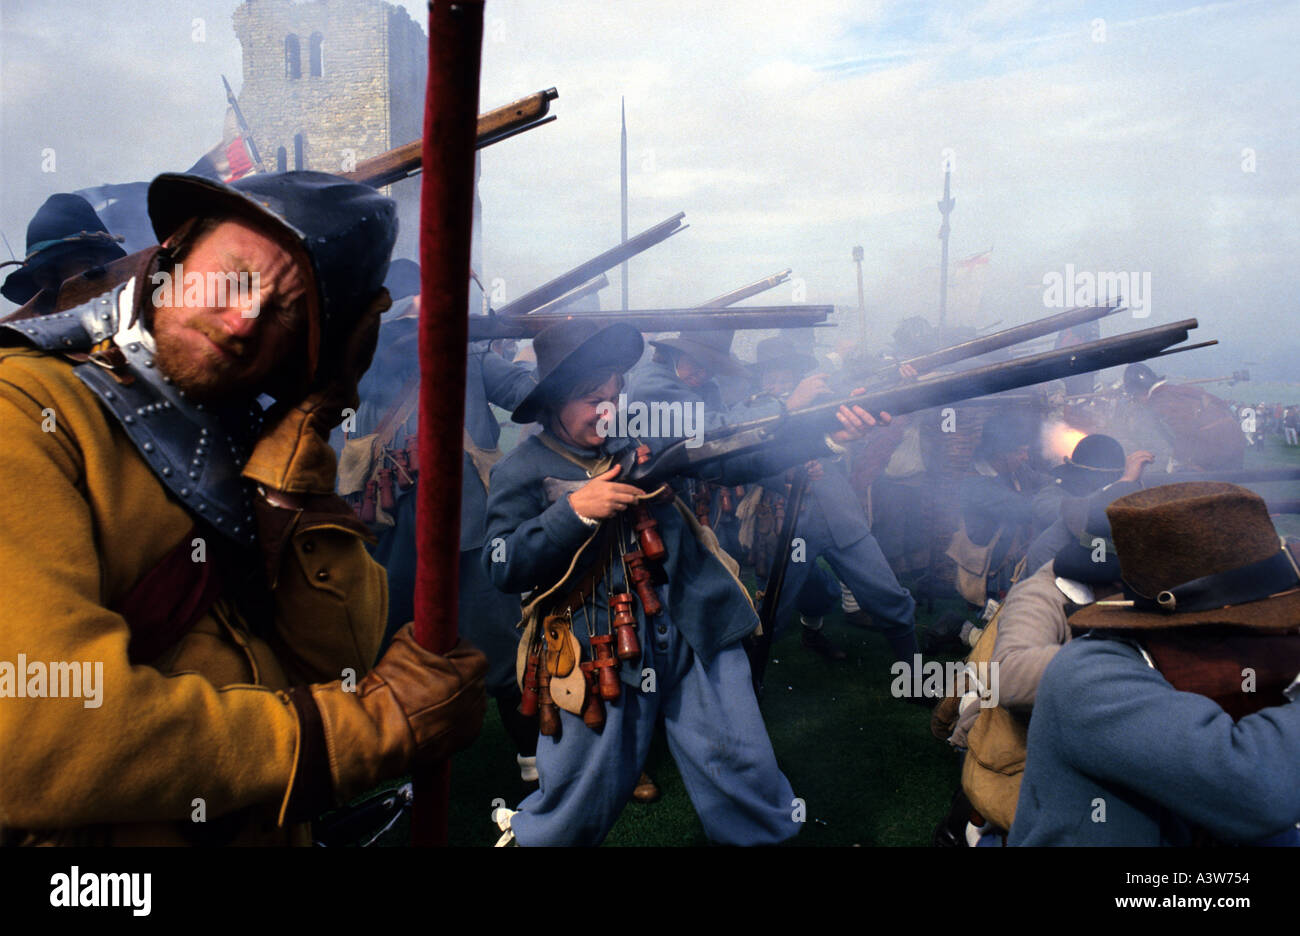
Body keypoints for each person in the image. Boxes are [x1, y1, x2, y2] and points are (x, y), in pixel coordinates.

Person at [0, 171, 487, 845]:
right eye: (231, 278)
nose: (242, 321)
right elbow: (44, 739)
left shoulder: (240, 429)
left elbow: (332, 662)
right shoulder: (24, 411)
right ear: (173, 250)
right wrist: (369, 730)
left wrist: (303, 444)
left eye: (288, 311)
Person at [482, 320, 885, 846]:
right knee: (579, 793)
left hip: (697, 624)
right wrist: (575, 512)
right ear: (553, 400)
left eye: (611, 394)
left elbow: (736, 458)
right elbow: (502, 563)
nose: (606, 409)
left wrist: (827, 433)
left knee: (742, 760)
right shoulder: (522, 469)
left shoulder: (641, 438)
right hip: (599, 646)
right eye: (589, 398)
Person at [1009, 482, 1300, 846]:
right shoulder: (1089, 677)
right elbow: (1254, 790)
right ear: (1214, 627)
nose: (1282, 631)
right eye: (1264, 624)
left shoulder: (1215, 672)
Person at [745, 336, 919, 669]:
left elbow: (865, 403)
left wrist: (902, 382)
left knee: (888, 596)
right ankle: (751, 685)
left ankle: (914, 676)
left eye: (786, 375)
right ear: (763, 379)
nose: (778, 382)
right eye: (772, 376)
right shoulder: (753, 414)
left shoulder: (824, 401)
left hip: (840, 515)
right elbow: (744, 463)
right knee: (771, 614)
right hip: (786, 524)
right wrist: (782, 475)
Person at [1, 193, 128, 319]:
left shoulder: (136, 319)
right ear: (45, 277)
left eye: (109, 263)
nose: (105, 271)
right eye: (89, 263)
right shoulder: (23, 338)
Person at [1122, 363, 1245, 471]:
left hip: (1216, 448)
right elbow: (1221, 405)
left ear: (1138, 392)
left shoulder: (1160, 399)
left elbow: (1185, 432)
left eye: (1135, 397)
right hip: (1233, 442)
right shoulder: (1174, 391)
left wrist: (1176, 461)